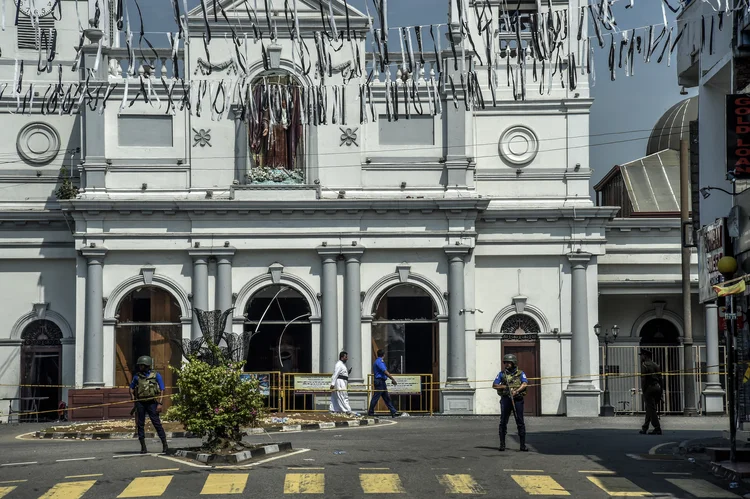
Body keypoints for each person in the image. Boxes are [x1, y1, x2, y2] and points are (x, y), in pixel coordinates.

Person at [129, 356, 169, 454]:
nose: (140, 367)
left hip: (152, 402)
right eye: (139, 365)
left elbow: (162, 389)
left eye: (142, 365)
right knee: (140, 425)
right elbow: (131, 387)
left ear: (147, 365)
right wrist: (132, 396)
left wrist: (160, 403)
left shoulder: (156, 375)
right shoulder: (137, 376)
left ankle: (165, 444)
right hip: (140, 403)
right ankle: (143, 447)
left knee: (157, 424)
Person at [492, 354, 529, 452]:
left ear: (514, 363)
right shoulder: (501, 374)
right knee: (503, 422)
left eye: (509, 362)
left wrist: (516, 391)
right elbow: (495, 385)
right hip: (506, 399)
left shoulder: (521, 373)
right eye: (505, 362)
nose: (507, 364)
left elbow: (524, 383)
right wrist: (505, 387)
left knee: (520, 422)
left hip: (517, 399)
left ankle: (522, 445)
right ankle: (502, 444)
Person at [367, 349, 399, 418]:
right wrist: (392, 379)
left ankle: (393, 411)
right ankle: (370, 412)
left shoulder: (377, 361)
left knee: (386, 397)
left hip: (381, 381)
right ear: (383, 355)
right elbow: (385, 371)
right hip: (379, 381)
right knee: (376, 397)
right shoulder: (380, 362)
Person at [639, 349, 663, 435]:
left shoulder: (644, 365)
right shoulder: (656, 365)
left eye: (641, 355)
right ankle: (645, 427)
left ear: (645, 356)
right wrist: (661, 391)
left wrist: (643, 389)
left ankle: (657, 428)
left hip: (649, 389)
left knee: (651, 409)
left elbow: (643, 379)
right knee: (650, 408)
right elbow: (661, 379)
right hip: (657, 388)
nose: (641, 357)